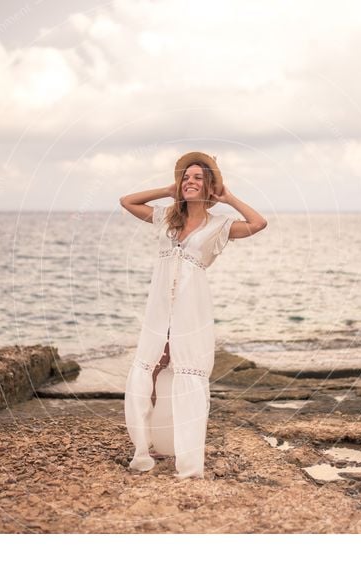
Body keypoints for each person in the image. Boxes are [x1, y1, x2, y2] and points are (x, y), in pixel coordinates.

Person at [119, 152, 268, 479]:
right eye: (185, 177)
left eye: (197, 178)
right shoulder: (165, 218)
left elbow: (258, 223)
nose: (190, 181)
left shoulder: (220, 225)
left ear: (209, 186)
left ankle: (186, 453)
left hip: (191, 307)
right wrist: (166, 190)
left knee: (185, 371)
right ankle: (152, 443)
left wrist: (228, 197)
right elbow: (126, 201)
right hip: (160, 306)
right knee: (154, 366)